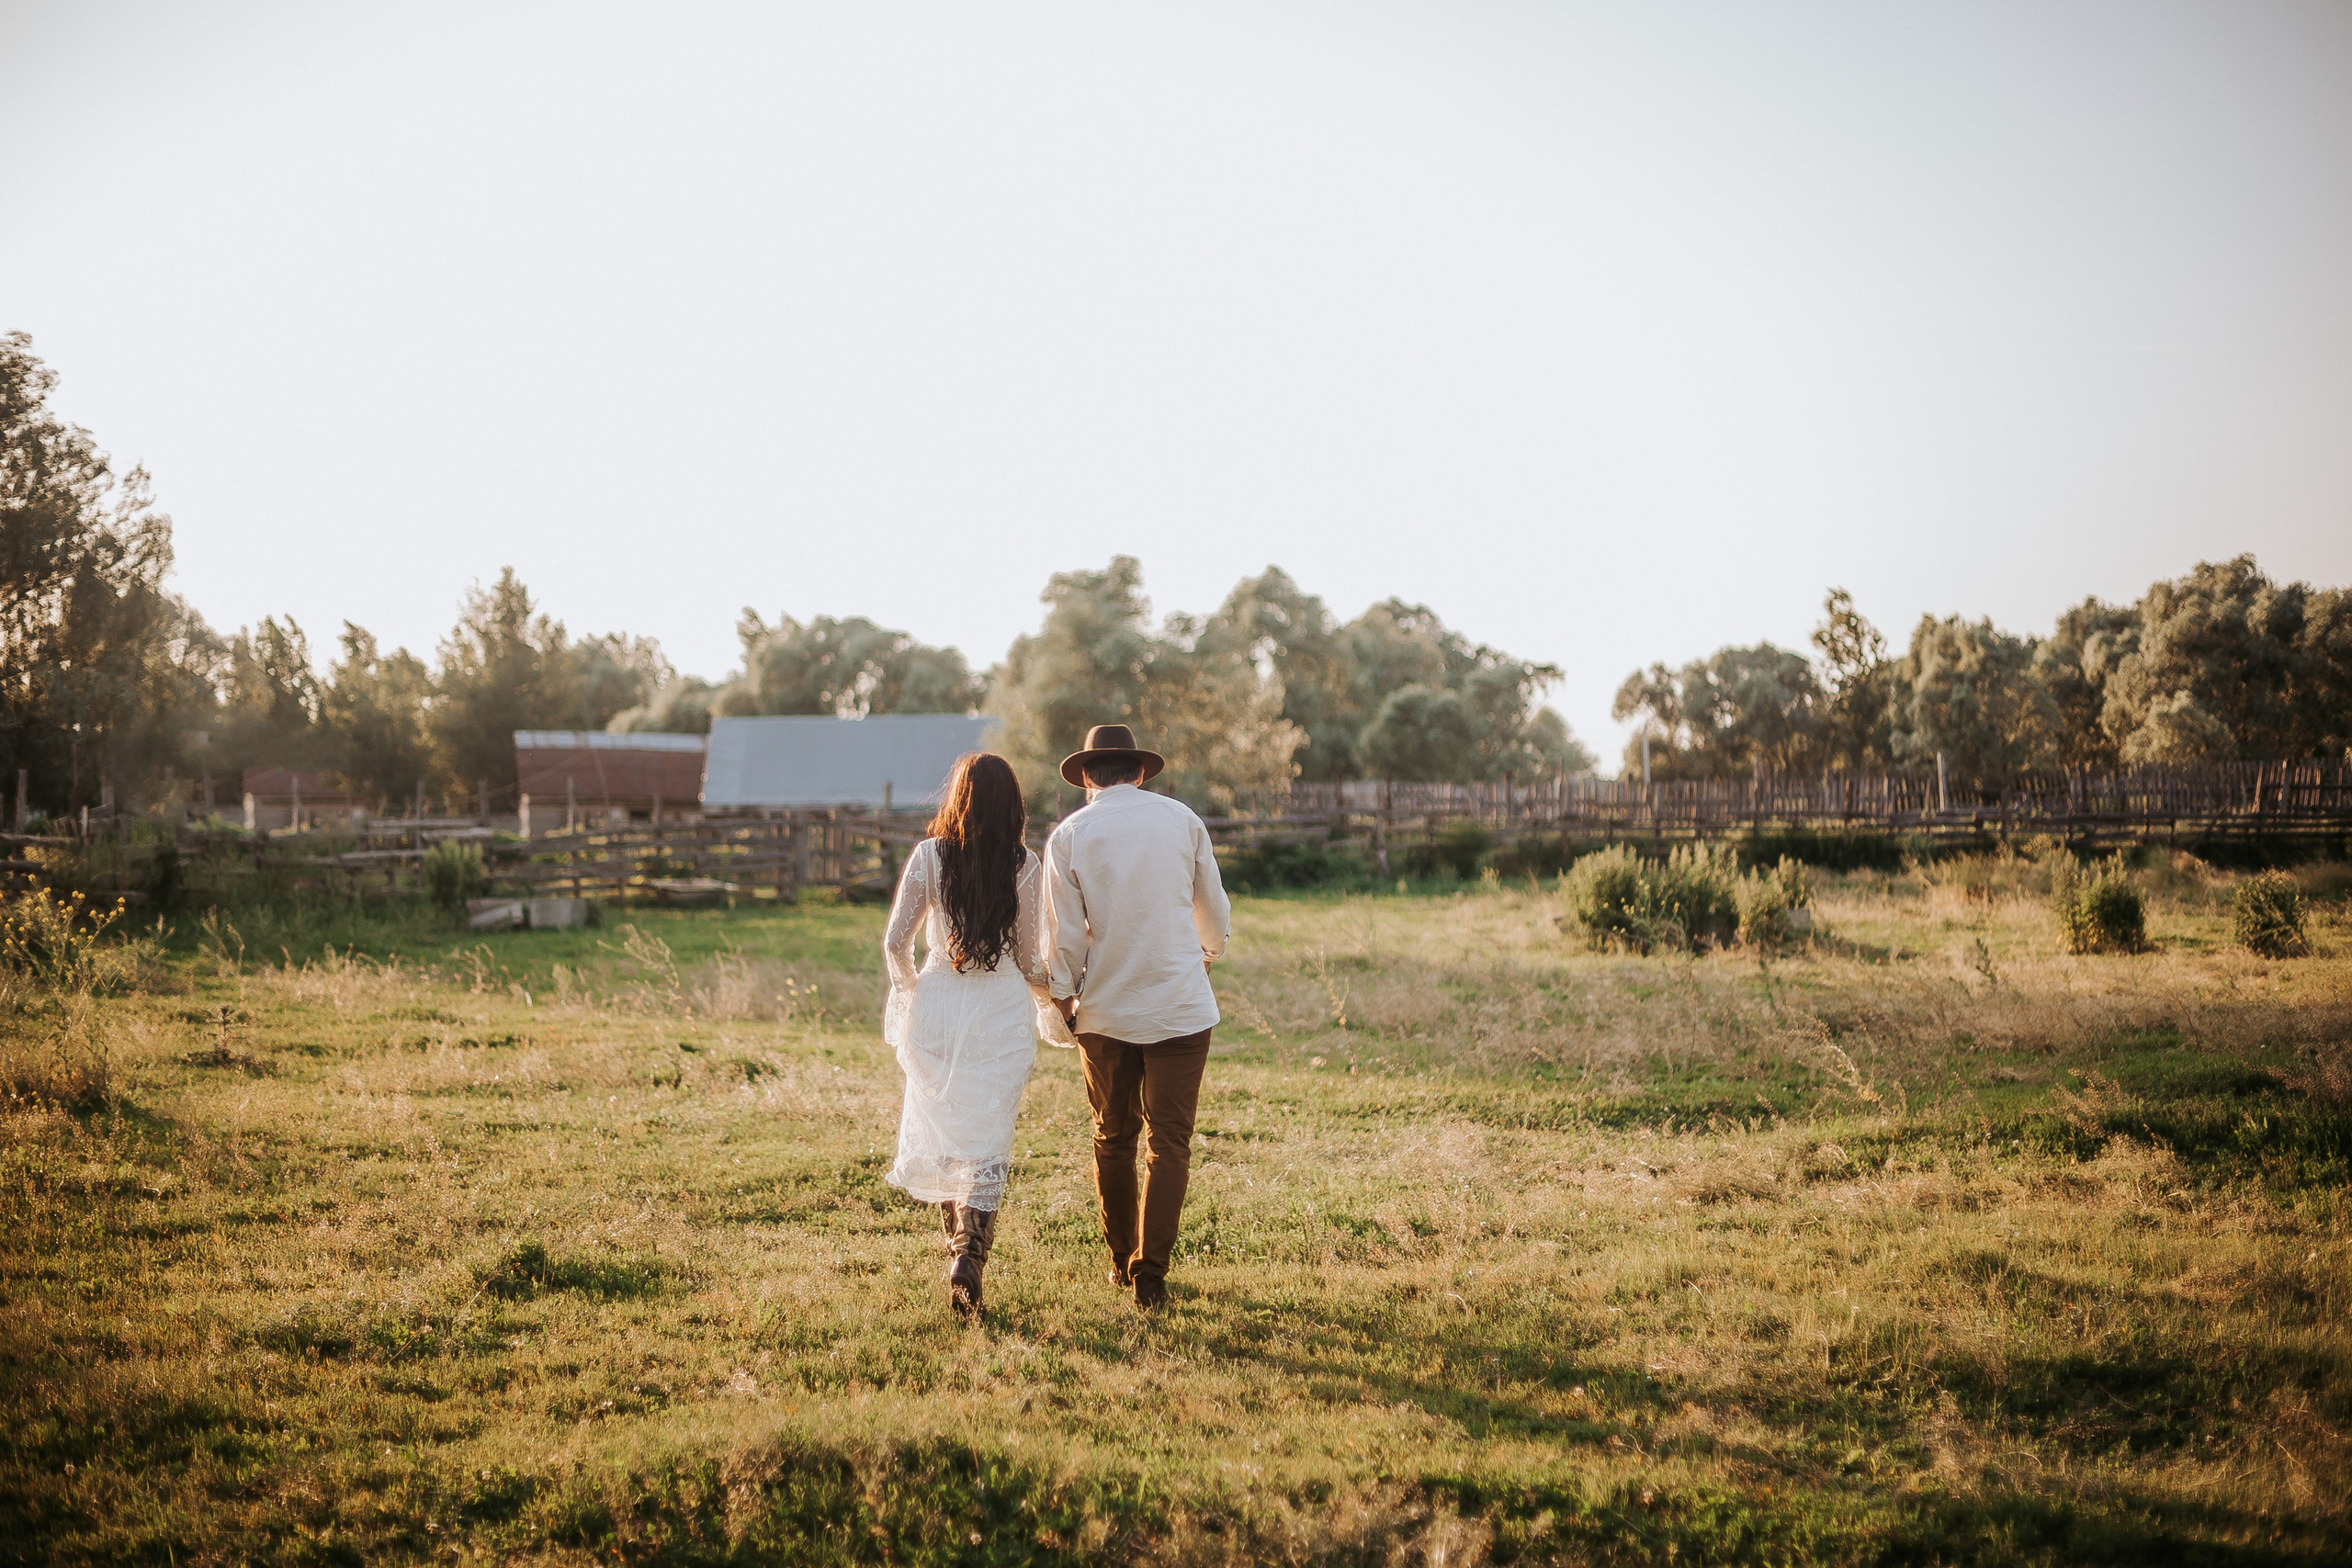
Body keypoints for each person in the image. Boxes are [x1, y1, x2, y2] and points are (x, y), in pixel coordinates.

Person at [1044, 724, 1232, 1311]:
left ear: (1086, 780)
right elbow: (1213, 909)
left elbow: (1066, 935)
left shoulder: (1070, 834)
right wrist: (1205, 955)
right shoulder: (1183, 820)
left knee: (1113, 1138)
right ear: (1141, 772)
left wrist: (1062, 996)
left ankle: (1120, 1260)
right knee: (1170, 1142)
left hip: (1103, 1009)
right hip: (1179, 1003)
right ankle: (1152, 1272)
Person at [881, 751, 1067, 1321]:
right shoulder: (1024, 865)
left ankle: (954, 1250)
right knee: (988, 1140)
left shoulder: (929, 857)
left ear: (957, 798)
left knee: (944, 1133)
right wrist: (1053, 1002)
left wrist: (913, 992)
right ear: (1012, 806)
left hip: (939, 1001)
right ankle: (969, 1256)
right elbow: (1031, 960)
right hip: (1000, 1011)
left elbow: (895, 942)